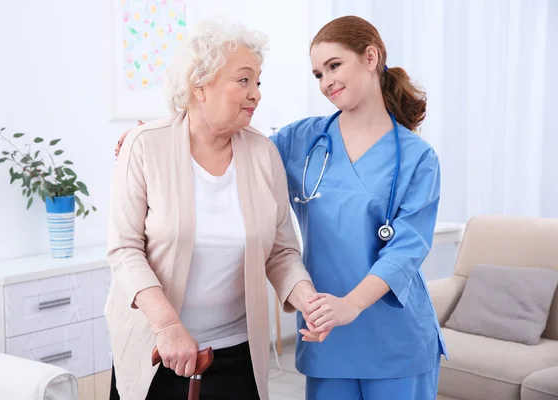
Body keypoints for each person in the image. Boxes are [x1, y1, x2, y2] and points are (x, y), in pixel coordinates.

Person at [116, 15, 446, 400]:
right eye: (318, 74)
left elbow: (406, 250)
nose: (326, 83)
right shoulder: (301, 141)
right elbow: (222, 140)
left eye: (335, 66)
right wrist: (151, 136)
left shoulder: (418, 157)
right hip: (326, 331)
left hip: (394, 334)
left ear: (371, 58)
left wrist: (351, 305)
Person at [106, 20, 326, 400]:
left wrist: (308, 298)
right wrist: (168, 325)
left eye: (258, 82)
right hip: (158, 348)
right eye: (243, 80)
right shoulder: (145, 145)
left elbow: (281, 251)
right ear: (199, 84)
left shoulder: (263, 153)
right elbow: (124, 250)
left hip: (237, 351)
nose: (255, 94)